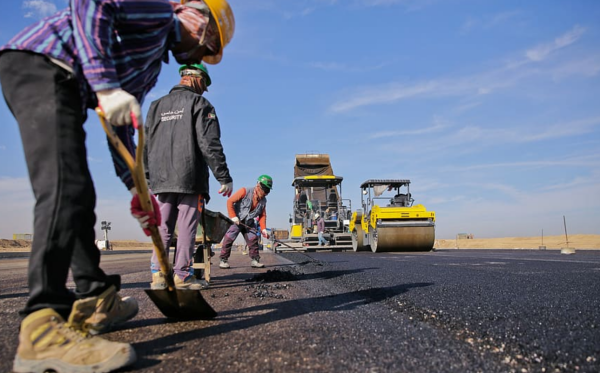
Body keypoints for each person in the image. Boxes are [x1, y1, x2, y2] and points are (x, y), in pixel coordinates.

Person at [0, 0, 234, 372]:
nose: (200, 57)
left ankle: (96, 297)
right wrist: (106, 87)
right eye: (205, 47)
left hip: (66, 84)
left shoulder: (150, 62)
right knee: (65, 190)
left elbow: (122, 126)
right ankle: (42, 331)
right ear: (199, 23)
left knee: (80, 196)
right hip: (41, 65)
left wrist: (136, 188)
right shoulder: (157, 13)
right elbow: (91, 4)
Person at [144, 63, 232, 290]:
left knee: (162, 226)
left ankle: (158, 275)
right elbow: (209, 143)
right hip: (189, 177)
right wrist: (223, 176)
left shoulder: (155, 106)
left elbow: (145, 144)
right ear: (196, 78)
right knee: (186, 228)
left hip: (160, 179)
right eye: (204, 84)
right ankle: (182, 275)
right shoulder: (200, 104)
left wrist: (147, 176)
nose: (204, 89)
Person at [220, 175, 273, 269]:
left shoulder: (263, 201)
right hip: (237, 220)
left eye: (267, 191)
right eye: (264, 190)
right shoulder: (245, 191)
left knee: (253, 239)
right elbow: (230, 201)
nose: (265, 193)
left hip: (248, 222)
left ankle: (255, 260)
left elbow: (262, 215)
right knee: (229, 238)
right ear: (258, 186)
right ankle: (223, 260)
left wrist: (264, 229)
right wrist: (233, 216)